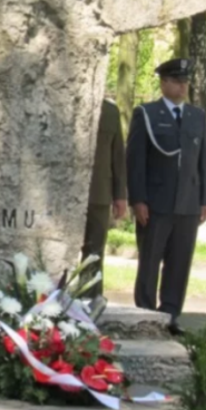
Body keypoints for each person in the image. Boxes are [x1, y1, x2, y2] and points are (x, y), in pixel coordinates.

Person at [127, 58, 206, 336]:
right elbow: (136, 160)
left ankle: (170, 315)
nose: (182, 86)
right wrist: (138, 199)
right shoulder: (147, 113)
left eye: (185, 81)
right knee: (150, 260)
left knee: (180, 262)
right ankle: (145, 313)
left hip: (187, 203)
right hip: (156, 202)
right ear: (163, 83)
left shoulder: (196, 116)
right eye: (177, 81)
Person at [82, 98, 127, 296]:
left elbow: (117, 155)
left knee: (94, 250)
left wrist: (120, 195)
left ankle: (89, 299)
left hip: (99, 191)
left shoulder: (110, 111)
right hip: (63, 192)